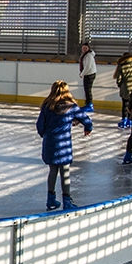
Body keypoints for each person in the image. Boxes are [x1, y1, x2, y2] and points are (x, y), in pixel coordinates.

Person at [36, 81, 93, 211]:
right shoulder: (71, 107)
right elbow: (86, 119)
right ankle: (67, 201)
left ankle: (51, 200)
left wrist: (46, 135)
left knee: (52, 171)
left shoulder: (47, 106)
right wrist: (88, 128)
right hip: (64, 144)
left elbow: (40, 125)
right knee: (65, 171)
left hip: (50, 142)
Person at [113, 52, 132, 129]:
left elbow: (119, 79)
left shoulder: (122, 67)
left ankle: (124, 119)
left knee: (125, 104)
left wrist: (120, 85)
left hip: (125, 88)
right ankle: (130, 119)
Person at [79, 42, 96, 112]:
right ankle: (88, 103)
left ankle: (89, 104)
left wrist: (82, 74)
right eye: (83, 48)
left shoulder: (89, 56)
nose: (84, 49)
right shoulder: (85, 55)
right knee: (86, 90)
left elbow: (87, 67)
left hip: (89, 74)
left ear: (88, 48)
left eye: (86, 48)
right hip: (88, 74)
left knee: (88, 90)